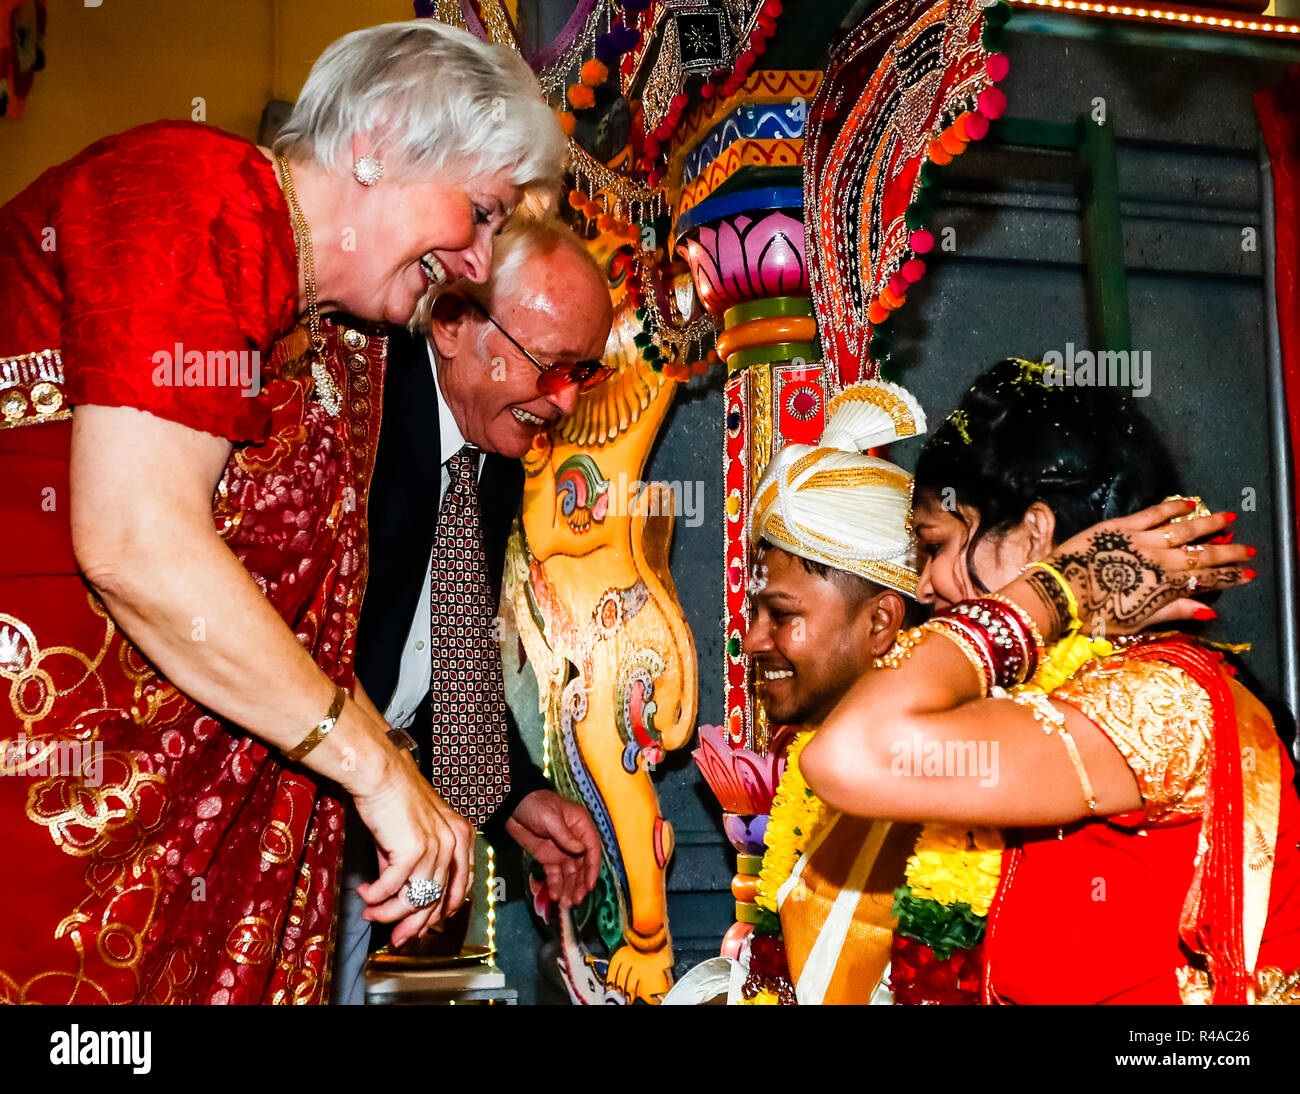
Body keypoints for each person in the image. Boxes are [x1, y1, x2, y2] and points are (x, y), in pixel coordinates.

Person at [0, 20, 565, 1004]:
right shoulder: (191, 197)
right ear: (378, 136)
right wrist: (377, 771)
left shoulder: (339, 337)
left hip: (202, 867)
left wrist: (468, 784)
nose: (477, 260)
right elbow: (139, 539)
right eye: (478, 212)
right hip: (56, 823)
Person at [801, 359, 1300, 1004]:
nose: (922, 587)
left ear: (1036, 535)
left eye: (934, 546)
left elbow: (853, 755)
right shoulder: (1049, 700)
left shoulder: (1161, 699)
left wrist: (1051, 592)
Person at [331, 218, 611, 1003]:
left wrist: (515, 795)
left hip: (365, 831)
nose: (561, 402)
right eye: (548, 366)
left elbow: (449, 657)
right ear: (452, 323)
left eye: (581, 373)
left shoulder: (492, 461)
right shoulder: (360, 403)